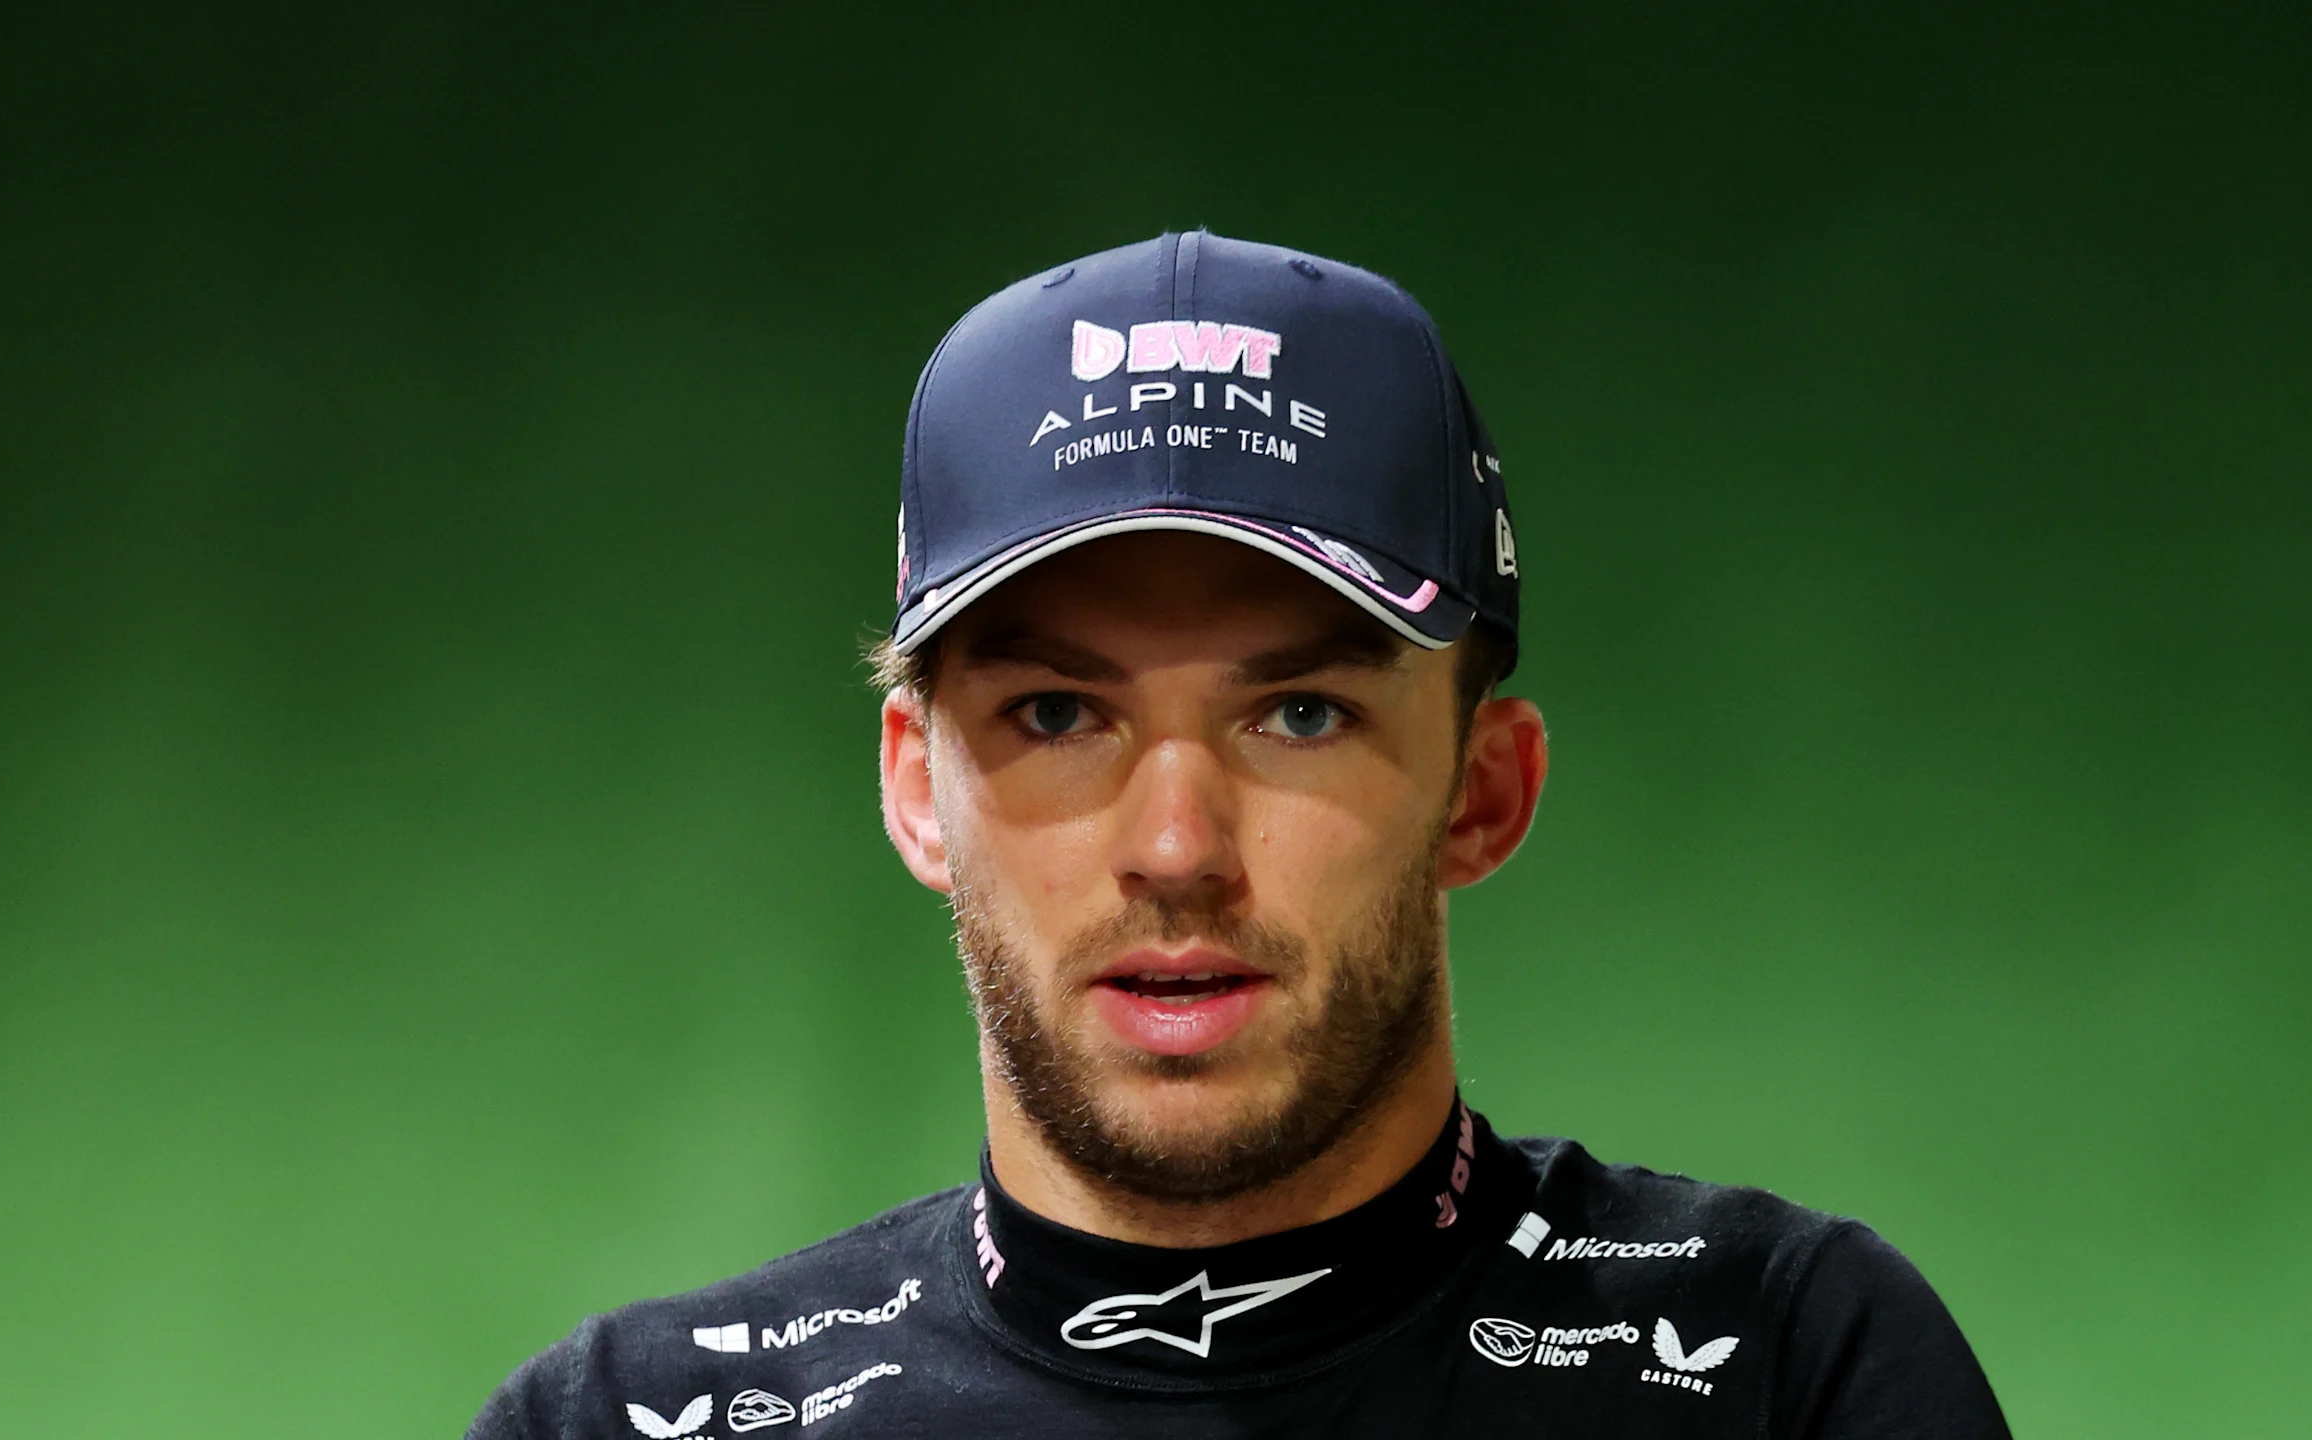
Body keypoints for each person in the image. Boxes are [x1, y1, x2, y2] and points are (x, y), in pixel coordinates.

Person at [466, 231, 2011, 1438]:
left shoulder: (1783, 1370)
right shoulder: (634, 1424)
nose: (1178, 846)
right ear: (917, 787)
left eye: (1301, 716)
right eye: (1061, 715)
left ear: (1485, 789)